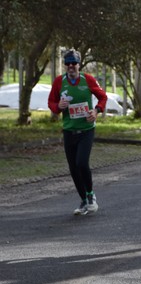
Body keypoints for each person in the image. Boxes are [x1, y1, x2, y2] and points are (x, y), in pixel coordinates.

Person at [48, 49, 107, 215]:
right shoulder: (59, 82)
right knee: (73, 168)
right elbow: (51, 102)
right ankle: (83, 200)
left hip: (87, 129)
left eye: (73, 63)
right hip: (69, 130)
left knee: (82, 163)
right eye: (67, 63)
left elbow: (102, 97)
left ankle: (91, 195)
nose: (71, 66)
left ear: (79, 64)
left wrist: (96, 111)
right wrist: (57, 107)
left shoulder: (87, 80)